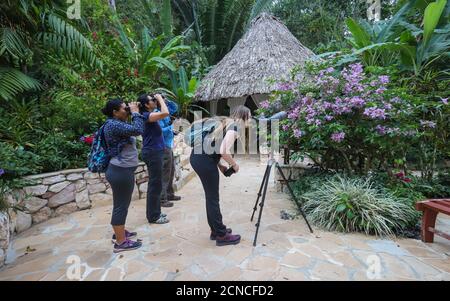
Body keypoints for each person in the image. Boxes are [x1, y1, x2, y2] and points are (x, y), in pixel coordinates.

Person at [189, 105, 251, 246]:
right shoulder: (234, 127)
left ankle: (215, 230)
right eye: (250, 116)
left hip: (198, 159)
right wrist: (234, 165)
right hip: (204, 162)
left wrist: (220, 165)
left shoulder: (225, 123)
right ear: (244, 116)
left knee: (210, 198)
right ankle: (221, 235)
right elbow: (223, 149)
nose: (251, 119)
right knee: (213, 199)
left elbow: (211, 145)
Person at [102, 99, 144, 253]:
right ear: (114, 112)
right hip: (120, 171)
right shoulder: (114, 124)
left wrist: (133, 112)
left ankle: (120, 233)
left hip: (121, 170)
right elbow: (139, 129)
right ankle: (120, 242)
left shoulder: (115, 123)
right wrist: (135, 112)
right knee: (120, 207)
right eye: (124, 108)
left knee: (122, 205)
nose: (126, 110)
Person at [138, 93, 170, 224]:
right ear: (146, 104)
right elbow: (165, 113)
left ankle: (156, 212)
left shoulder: (149, 115)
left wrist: (161, 100)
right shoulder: (146, 116)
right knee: (154, 184)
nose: (155, 101)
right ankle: (153, 216)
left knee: (156, 184)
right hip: (152, 153)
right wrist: (160, 99)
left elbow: (169, 110)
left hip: (155, 152)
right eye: (152, 100)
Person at [158, 100, 182, 207]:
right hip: (163, 145)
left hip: (168, 144)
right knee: (165, 173)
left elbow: (175, 107)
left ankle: (169, 194)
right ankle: (162, 199)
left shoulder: (165, 111)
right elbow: (160, 131)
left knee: (171, 171)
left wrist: (165, 100)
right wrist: (171, 128)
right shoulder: (156, 114)